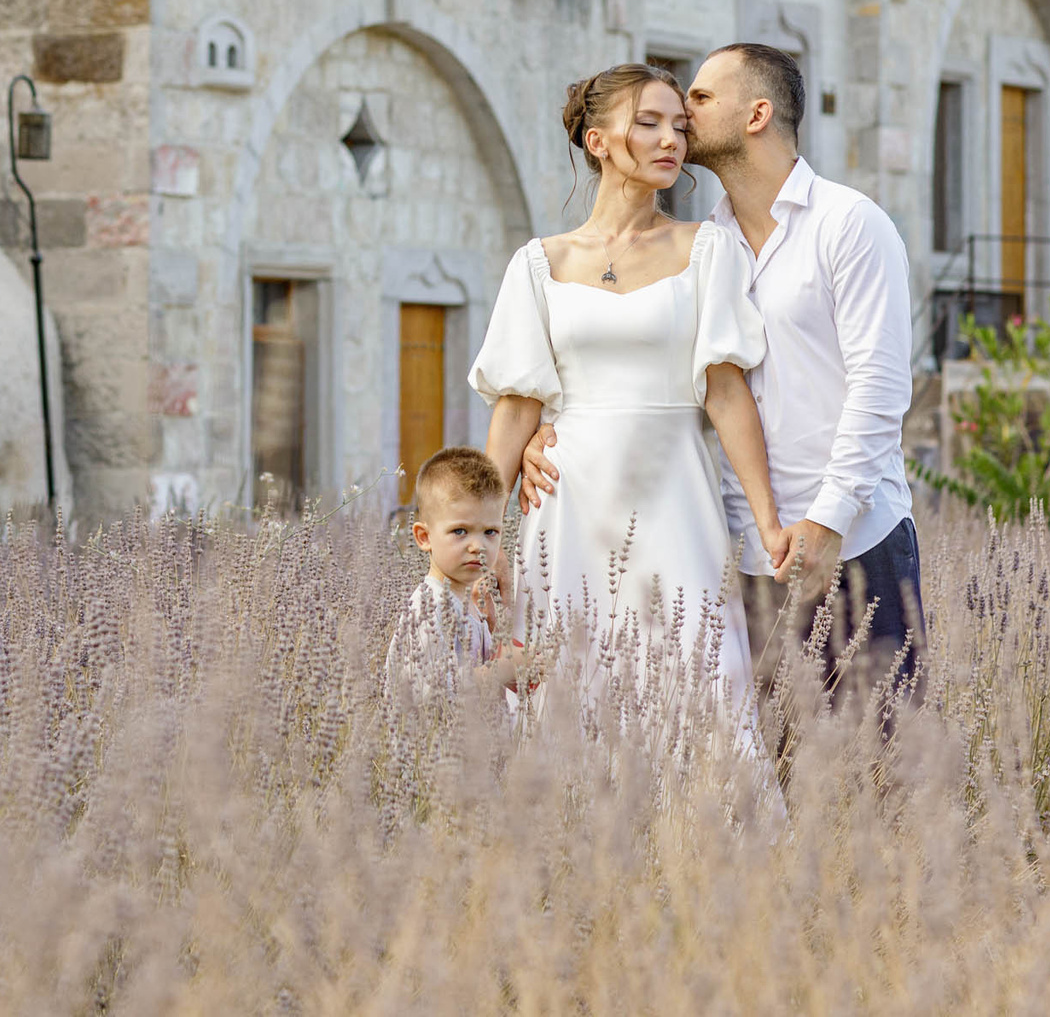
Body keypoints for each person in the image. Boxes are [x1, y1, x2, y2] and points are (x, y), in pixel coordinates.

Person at [523, 43, 921, 706]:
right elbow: (661, 370)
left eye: (701, 99)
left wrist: (826, 521)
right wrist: (549, 429)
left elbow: (879, 391)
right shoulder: (707, 243)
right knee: (781, 778)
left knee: (883, 768)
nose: (683, 110)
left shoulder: (850, 224)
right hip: (747, 553)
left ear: (757, 113)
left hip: (856, 542)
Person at [473, 63, 792, 712]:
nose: (671, 138)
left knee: (700, 687)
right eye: (648, 123)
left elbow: (727, 394)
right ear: (598, 142)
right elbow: (515, 409)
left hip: (675, 498)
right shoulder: (538, 264)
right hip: (567, 506)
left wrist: (769, 521)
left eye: (680, 125)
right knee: (568, 694)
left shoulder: (708, 249)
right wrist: (481, 540)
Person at [387, 446, 528, 701]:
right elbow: (425, 692)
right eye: (460, 531)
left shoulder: (471, 605)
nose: (478, 546)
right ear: (424, 537)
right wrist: (495, 673)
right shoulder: (429, 608)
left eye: (490, 532)